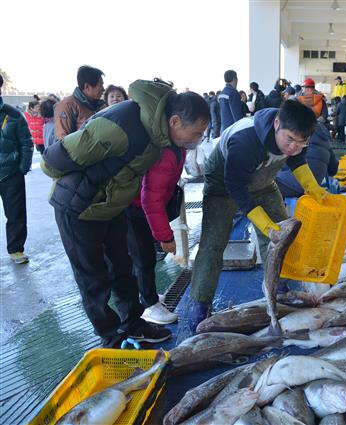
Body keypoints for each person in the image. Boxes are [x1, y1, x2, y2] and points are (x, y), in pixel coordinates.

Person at [41, 79, 209, 348]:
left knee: (123, 270)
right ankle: (111, 336)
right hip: (78, 208)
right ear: (175, 121)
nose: (198, 139)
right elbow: (53, 160)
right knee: (93, 279)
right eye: (197, 133)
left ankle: (133, 323)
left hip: (113, 207)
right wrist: (89, 183)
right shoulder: (122, 125)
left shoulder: (161, 134)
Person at [190, 100, 322, 329]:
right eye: (289, 140)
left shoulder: (299, 137)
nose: (292, 147)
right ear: (277, 124)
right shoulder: (246, 140)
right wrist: (266, 226)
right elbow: (236, 188)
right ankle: (200, 303)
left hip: (263, 183)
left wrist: (316, 191)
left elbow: (298, 161)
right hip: (224, 183)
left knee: (285, 235)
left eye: (300, 143)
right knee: (213, 242)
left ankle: (278, 287)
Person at [126, 141, 187, 325]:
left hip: (139, 208)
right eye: (196, 131)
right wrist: (166, 237)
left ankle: (146, 294)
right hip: (133, 208)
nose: (198, 136)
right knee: (142, 257)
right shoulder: (163, 151)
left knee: (145, 255)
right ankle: (149, 305)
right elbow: (150, 199)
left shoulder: (177, 146)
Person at [0, 75, 33, 264]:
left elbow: (26, 142)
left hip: (11, 174)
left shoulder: (13, 114)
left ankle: (16, 250)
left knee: (15, 213)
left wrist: (22, 167)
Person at [276, 123, 338, 198]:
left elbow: (289, 162)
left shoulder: (299, 133)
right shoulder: (326, 140)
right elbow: (333, 170)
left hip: (298, 183)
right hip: (314, 185)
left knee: (266, 185)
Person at [54, 65, 106, 140]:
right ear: (87, 87)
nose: (103, 89)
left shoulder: (100, 105)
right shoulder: (67, 105)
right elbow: (62, 141)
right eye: (100, 85)